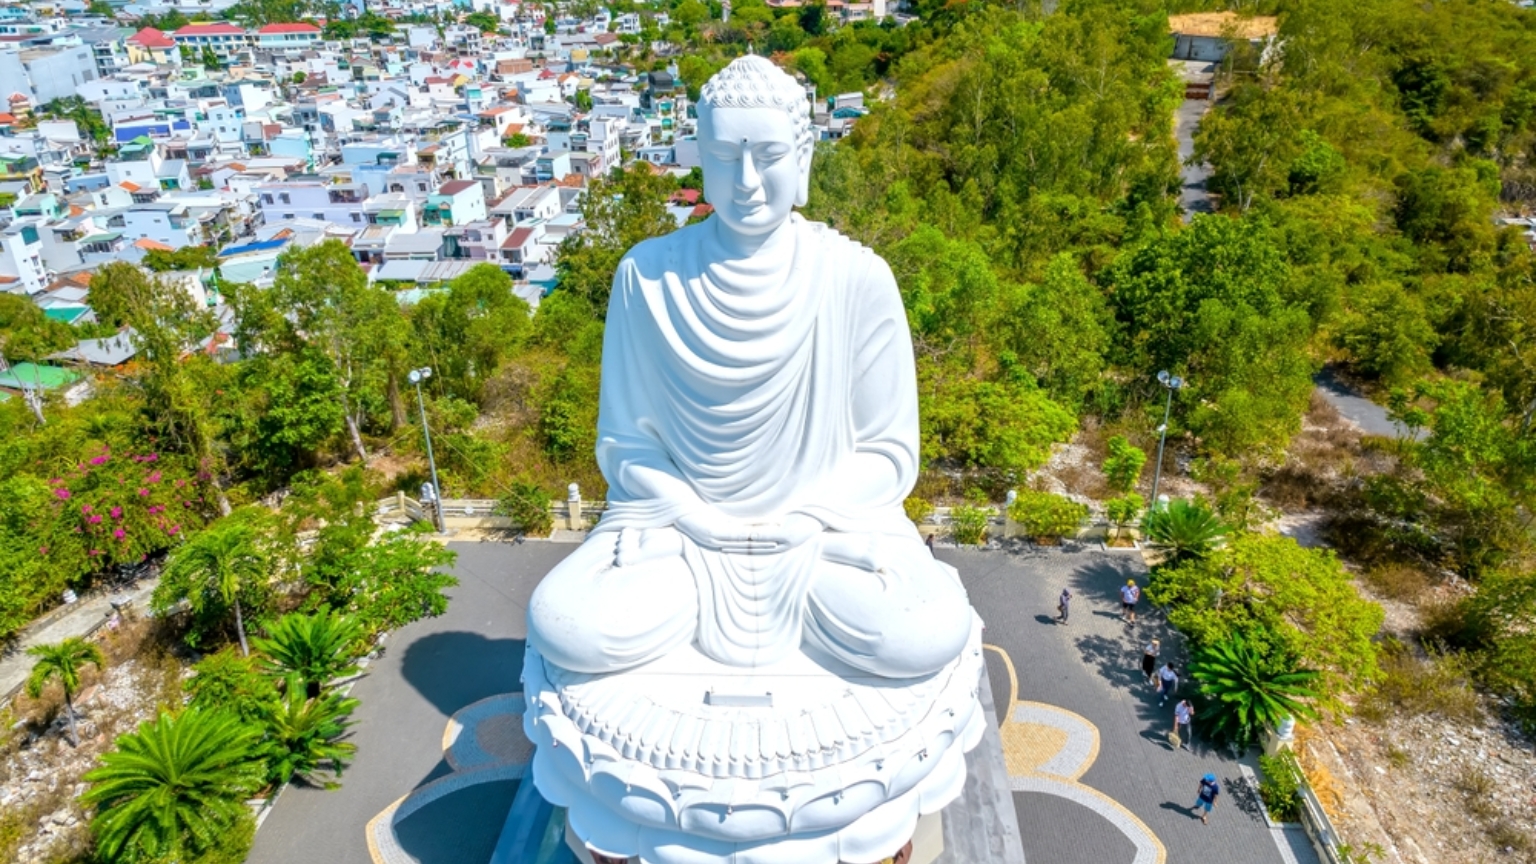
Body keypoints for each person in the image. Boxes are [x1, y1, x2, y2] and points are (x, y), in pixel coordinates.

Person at [526, 55, 974, 680]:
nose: (746, 181)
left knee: (921, 631)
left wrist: (801, 521)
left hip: (821, 538)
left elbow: (888, 454)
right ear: (699, 157)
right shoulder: (647, 275)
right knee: (567, 622)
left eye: (766, 156)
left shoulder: (856, 278)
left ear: (803, 159)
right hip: (680, 536)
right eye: (723, 157)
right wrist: (697, 520)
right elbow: (626, 448)